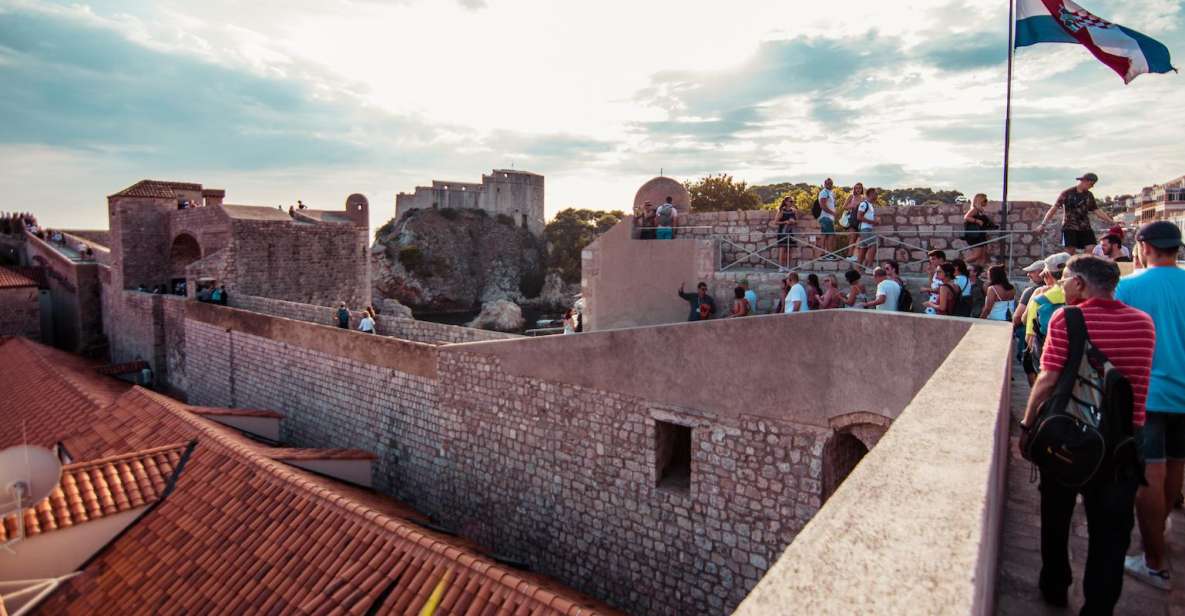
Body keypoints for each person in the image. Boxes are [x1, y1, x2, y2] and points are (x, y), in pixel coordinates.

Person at [1019, 255, 1154, 612]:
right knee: (1110, 534)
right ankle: (1098, 607)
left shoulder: (1068, 317)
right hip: (1124, 442)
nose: (1060, 285)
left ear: (1079, 283)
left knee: (1056, 515)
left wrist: (1028, 424)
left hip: (1071, 435)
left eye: (1064, 278)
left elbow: (1047, 378)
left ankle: (1055, 583)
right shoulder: (1144, 324)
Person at [1117, 221, 1185, 591]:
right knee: (1176, 465)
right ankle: (1161, 534)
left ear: (1143, 245)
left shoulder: (1129, 287)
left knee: (1150, 475)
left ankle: (1153, 560)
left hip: (1148, 394)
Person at [1036, 173, 1116, 255]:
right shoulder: (1067, 193)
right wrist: (1043, 224)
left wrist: (1112, 222)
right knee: (1070, 252)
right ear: (1085, 181)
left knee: (1091, 248)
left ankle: (1084, 266)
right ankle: (1071, 267)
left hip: (1085, 227)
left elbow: (1097, 211)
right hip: (1069, 226)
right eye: (1091, 184)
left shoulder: (1089, 195)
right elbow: (1054, 209)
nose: (1092, 186)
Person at [1024, 253, 1072, 371]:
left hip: (1049, 359)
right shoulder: (1082, 296)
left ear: (1048, 274)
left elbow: (1029, 337)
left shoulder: (1040, 299)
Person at [1013, 260, 1047, 384]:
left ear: (1041, 272)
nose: (1028, 275)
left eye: (1031, 272)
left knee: (1030, 367)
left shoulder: (1031, 292)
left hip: (1032, 337)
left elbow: (1018, 317)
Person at [962, 193, 995, 265]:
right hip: (975, 236)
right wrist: (977, 221)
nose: (986, 202)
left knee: (983, 257)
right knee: (977, 255)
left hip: (980, 235)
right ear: (980, 201)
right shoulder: (975, 209)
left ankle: (977, 272)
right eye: (985, 200)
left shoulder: (980, 210)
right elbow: (966, 217)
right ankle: (959, 264)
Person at [769, 197, 798, 267]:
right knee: (782, 250)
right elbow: (775, 222)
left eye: (792, 201)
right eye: (790, 201)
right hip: (782, 232)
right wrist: (785, 222)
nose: (792, 203)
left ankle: (788, 266)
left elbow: (797, 221)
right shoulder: (782, 211)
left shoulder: (794, 211)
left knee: (790, 250)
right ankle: (781, 267)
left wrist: (793, 222)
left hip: (790, 232)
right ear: (786, 202)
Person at [855, 188, 879, 269]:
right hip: (866, 229)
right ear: (871, 194)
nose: (877, 196)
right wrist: (873, 222)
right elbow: (859, 216)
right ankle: (869, 267)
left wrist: (874, 222)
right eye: (876, 194)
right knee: (873, 245)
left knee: (863, 249)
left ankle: (858, 269)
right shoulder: (864, 204)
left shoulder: (870, 205)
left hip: (865, 229)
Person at [841, 183, 865, 259]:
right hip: (851, 218)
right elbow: (844, 207)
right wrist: (853, 206)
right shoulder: (851, 196)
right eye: (856, 188)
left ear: (862, 189)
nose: (857, 190)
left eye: (859, 188)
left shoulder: (863, 198)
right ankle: (849, 255)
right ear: (854, 189)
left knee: (857, 238)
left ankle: (853, 256)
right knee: (852, 237)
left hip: (860, 219)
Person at [817, 178, 839, 258]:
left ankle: (823, 254)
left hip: (828, 217)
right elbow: (822, 206)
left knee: (825, 235)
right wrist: (833, 213)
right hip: (826, 217)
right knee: (830, 235)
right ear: (825, 184)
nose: (830, 185)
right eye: (828, 183)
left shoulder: (830, 193)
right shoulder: (824, 192)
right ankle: (830, 254)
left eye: (831, 183)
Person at [922, 250, 947, 316]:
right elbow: (932, 287)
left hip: (939, 304)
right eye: (930, 259)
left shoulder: (946, 272)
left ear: (941, 259)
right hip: (932, 302)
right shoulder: (936, 271)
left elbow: (943, 288)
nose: (931, 261)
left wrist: (927, 289)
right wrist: (930, 274)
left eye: (933, 259)